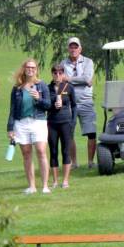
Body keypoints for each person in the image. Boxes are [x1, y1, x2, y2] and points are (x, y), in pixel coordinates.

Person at [7, 59, 51, 194]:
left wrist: (39, 98)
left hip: (38, 121)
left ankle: (45, 186)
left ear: (36, 70)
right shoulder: (17, 88)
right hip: (21, 123)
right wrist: (10, 128)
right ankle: (31, 186)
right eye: (28, 67)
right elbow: (13, 109)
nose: (30, 69)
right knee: (26, 154)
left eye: (33, 67)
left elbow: (48, 105)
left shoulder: (41, 85)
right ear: (24, 69)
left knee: (41, 151)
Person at [61, 37, 95, 169]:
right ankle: (74, 163)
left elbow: (87, 78)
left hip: (86, 101)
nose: (73, 49)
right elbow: (61, 81)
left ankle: (91, 162)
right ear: (68, 49)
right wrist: (82, 80)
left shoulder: (88, 61)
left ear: (80, 48)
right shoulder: (63, 63)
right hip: (69, 102)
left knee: (91, 132)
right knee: (69, 133)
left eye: (76, 47)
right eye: (71, 47)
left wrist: (69, 79)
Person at [46, 63, 76, 189]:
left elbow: (74, 105)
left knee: (65, 151)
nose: (57, 75)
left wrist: (73, 121)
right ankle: (54, 181)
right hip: (52, 123)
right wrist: (53, 106)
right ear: (52, 74)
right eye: (55, 73)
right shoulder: (47, 88)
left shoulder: (68, 87)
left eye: (60, 73)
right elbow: (44, 105)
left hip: (65, 122)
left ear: (63, 74)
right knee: (53, 151)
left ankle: (65, 181)